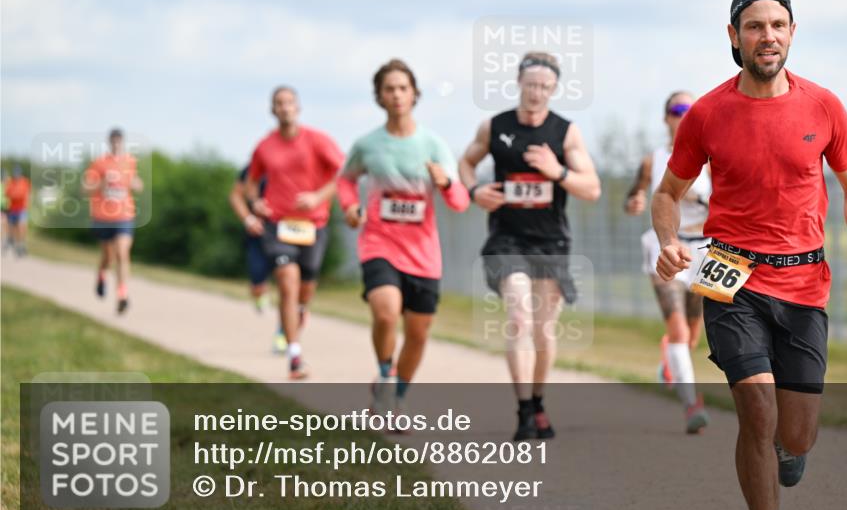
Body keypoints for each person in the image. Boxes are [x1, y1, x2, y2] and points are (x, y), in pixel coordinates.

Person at [652, 0, 847, 510]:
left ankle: (789, 449)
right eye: (754, 26)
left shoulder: (823, 105)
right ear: (734, 36)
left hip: (804, 282)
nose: (767, 36)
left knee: (796, 435)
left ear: (792, 34)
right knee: (756, 407)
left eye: (777, 25)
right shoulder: (707, 113)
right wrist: (667, 241)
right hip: (730, 275)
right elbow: (667, 194)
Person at [459, 51, 601, 441]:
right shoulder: (495, 126)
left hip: (550, 241)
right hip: (507, 238)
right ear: (519, 82)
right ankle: (523, 409)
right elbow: (466, 162)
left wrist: (557, 171)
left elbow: (592, 188)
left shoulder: (564, 133)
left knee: (543, 330)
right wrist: (474, 190)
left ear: (554, 89)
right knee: (520, 315)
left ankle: (538, 401)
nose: (537, 92)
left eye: (545, 87)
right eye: (531, 84)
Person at [338, 59, 470, 419]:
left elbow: (459, 202)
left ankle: (397, 395)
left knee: (418, 333)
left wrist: (445, 182)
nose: (396, 95)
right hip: (378, 244)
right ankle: (385, 374)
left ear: (414, 95)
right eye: (389, 89)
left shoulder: (433, 144)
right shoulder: (367, 145)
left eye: (403, 88)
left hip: (423, 253)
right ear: (379, 97)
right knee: (386, 313)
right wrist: (351, 208)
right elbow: (345, 180)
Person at [625, 91, 710, 434]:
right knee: (677, 330)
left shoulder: (712, 158)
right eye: (678, 110)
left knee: (691, 336)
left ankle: (670, 361)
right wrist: (634, 202)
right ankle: (692, 405)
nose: (683, 115)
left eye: (690, 110)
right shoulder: (654, 159)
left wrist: (698, 196)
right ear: (666, 118)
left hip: (705, 249)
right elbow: (635, 194)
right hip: (667, 246)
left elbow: (728, 205)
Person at [246, 86, 344, 380]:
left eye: (289, 103)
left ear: (298, 108)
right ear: (272, 110)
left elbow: (344, 174)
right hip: (278, 224)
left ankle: (299, 312)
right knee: (287, 282)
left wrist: (318, 197)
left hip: (313, 225)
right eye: (279, 103)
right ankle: (294, 356)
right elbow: (251, 183)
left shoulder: (318, 140)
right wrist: (255, 203)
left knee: (304, 291)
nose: (285, 108)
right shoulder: (265, 146)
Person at [83, 128, 143, 314]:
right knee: (108, 257)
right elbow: (85, 189)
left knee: (122, 254)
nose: (116, 144)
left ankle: (122, 295)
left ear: (122, 142)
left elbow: (138, 185)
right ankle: (101, 275)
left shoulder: (130, 161)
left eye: (119, 141)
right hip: (103, 216)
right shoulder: (99, 163)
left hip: (124, 215)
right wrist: (103, 183)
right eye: (113, 141)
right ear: (109, 142)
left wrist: (134, 183)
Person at [228, 164, 286, 353]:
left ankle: (283, 333)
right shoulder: (253, 168)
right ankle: (260, 295)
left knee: (288, 285)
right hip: (259, 233)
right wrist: (248, 219)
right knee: (257, 282)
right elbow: (236, 195)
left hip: (287, 233)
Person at [4, 165, 31, 257]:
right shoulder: (11, 182)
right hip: (12, 209)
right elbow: (7, 193)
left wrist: (15, 194)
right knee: (12, 228)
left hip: (22, 208)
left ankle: (21, 244)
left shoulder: (24, 182)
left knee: (21, 226)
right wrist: (15, 194)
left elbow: (23, 194)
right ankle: (15, 244)